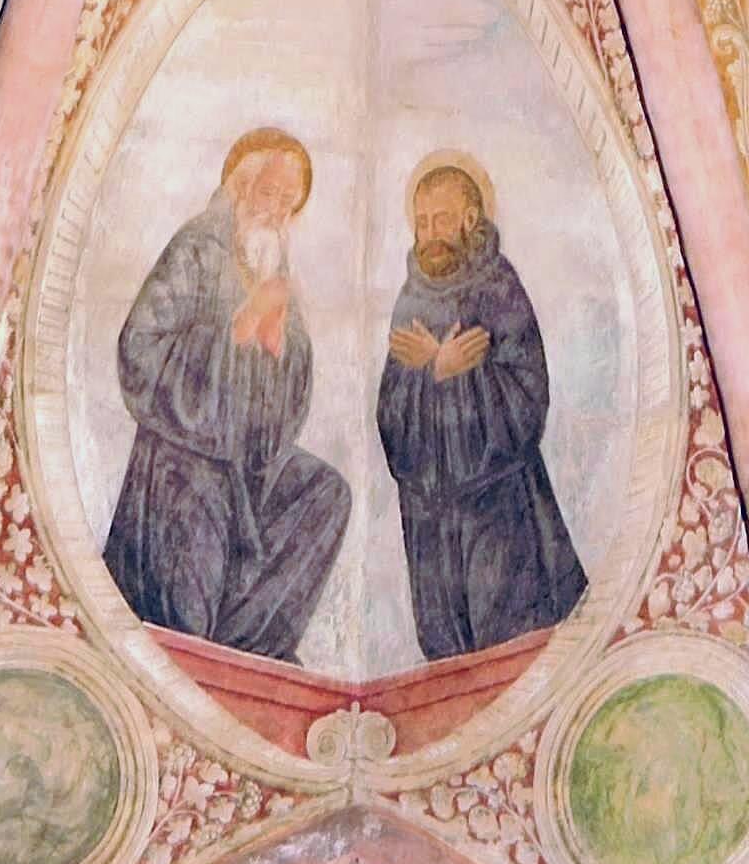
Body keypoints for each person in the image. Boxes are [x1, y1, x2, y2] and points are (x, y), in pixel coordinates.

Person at [102, 128, 350, 659]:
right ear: (239, 187)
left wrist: (281, 347)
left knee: (325, 493)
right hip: (183, 456)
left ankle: (251, 644)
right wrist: (235, 333)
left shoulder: (273, 270)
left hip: (250, 463)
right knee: (201, 503)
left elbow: (294, 383)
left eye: (289, 203)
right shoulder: (197, 249)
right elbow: (139, 349)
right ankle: (197, 647)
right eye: (269, 194)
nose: (277, 212)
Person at [376, 152, 589, 662]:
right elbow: (390, 415)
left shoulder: (499, 288)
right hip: (429, 513)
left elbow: (527, 397)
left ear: (471, 219)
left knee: (506, 648)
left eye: (441, 219)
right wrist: (431, 371)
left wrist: (458, 373)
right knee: (448, 657)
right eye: (421, 222)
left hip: (496, 507)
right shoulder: (411, 299)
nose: (429, 233)